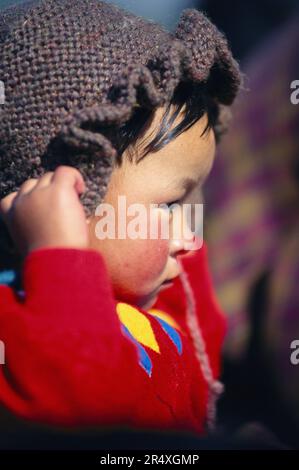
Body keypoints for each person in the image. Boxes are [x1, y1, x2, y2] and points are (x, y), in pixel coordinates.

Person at [0, 0, 240, 438]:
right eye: (169, 206)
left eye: (192, 205)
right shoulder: (20, 321)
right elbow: (83, 406)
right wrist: (60, 258)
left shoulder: (146, 301)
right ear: (64, 204)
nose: (192, 240)